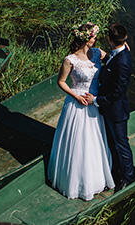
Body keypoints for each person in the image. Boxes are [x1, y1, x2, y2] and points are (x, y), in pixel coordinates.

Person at [47, 22, 114, 200]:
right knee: (79, 141)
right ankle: (78, 183)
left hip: (95, 101)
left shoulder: (97, 53)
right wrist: (76, 96)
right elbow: (61, 82)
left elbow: (114, 60)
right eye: (93, 36)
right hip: (78, 102)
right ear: (85, 39)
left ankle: (97, 177)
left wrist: (125, 50)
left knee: (95, 140)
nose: (96, 39)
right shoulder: (70, 60)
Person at [94, 23, 135, 192]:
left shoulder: (123, 61)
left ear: (110, 40)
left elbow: (118, 93)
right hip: (109, 109)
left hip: (117, 111)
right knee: (112, 143)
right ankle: (115, 171)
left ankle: (128, 178)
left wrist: (97, 100)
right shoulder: (118, 53)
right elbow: (112, 63)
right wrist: (105, 58)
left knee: (122, 145)